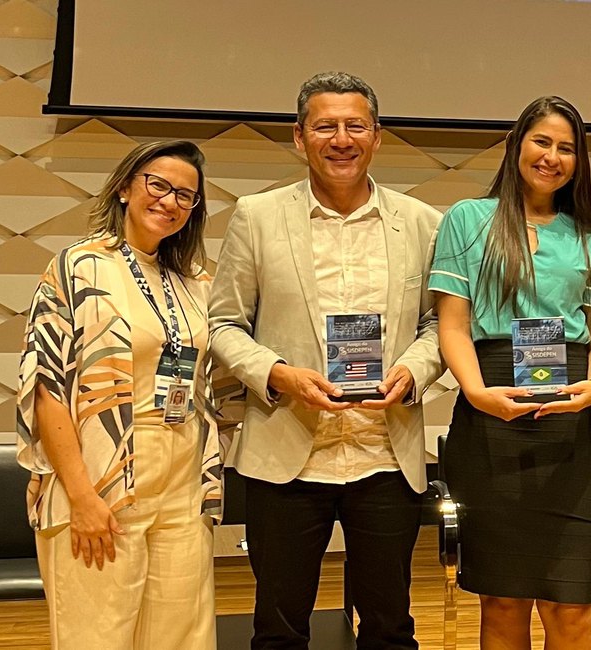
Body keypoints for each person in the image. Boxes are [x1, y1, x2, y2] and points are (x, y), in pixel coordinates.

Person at [207, 72, 443, 649]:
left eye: (355, 126)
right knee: (280, 630)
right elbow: (223, 324)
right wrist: (277, 374)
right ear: (299, 137)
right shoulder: (257, 217)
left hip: (385, 455)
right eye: (325, 126)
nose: (342, 139)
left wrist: (413, 372)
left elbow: (439, 325)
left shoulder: (421, 222)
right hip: (288, 453)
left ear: (377, 137)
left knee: (390, 629)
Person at [429, 96, 591, 650]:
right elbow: (453, 325)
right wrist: (476, 392)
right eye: (542, 141)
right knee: (504, 600)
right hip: (490, 416)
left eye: (567, 148)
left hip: (574, 423)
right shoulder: (468, 219)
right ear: (517, 145)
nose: (552, 157)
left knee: (571, 604)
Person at [16, 140, 221, 649]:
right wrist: (82, 496)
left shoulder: (195, 282)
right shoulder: (78, 267)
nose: (169, 201)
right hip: (102, 474)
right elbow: (47, 389)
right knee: (99, 635)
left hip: (182, 474)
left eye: (185, 195)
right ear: (127, 187)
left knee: (182, 635)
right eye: (158, 185)